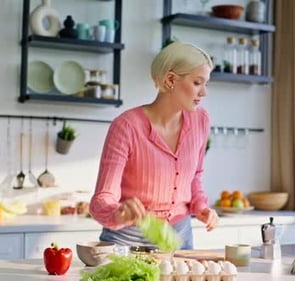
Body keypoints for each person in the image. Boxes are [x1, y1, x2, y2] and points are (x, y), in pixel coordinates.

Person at [89, 41, 219, 250]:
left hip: (179, 238)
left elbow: (194, 175)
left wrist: (200, 206)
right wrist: (118, 212)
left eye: (206, 84)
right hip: (127, 240)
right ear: (170, 80)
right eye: (197, 83)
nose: (204, 92)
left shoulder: (200, 120)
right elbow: (101, 199)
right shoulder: (126, 126)